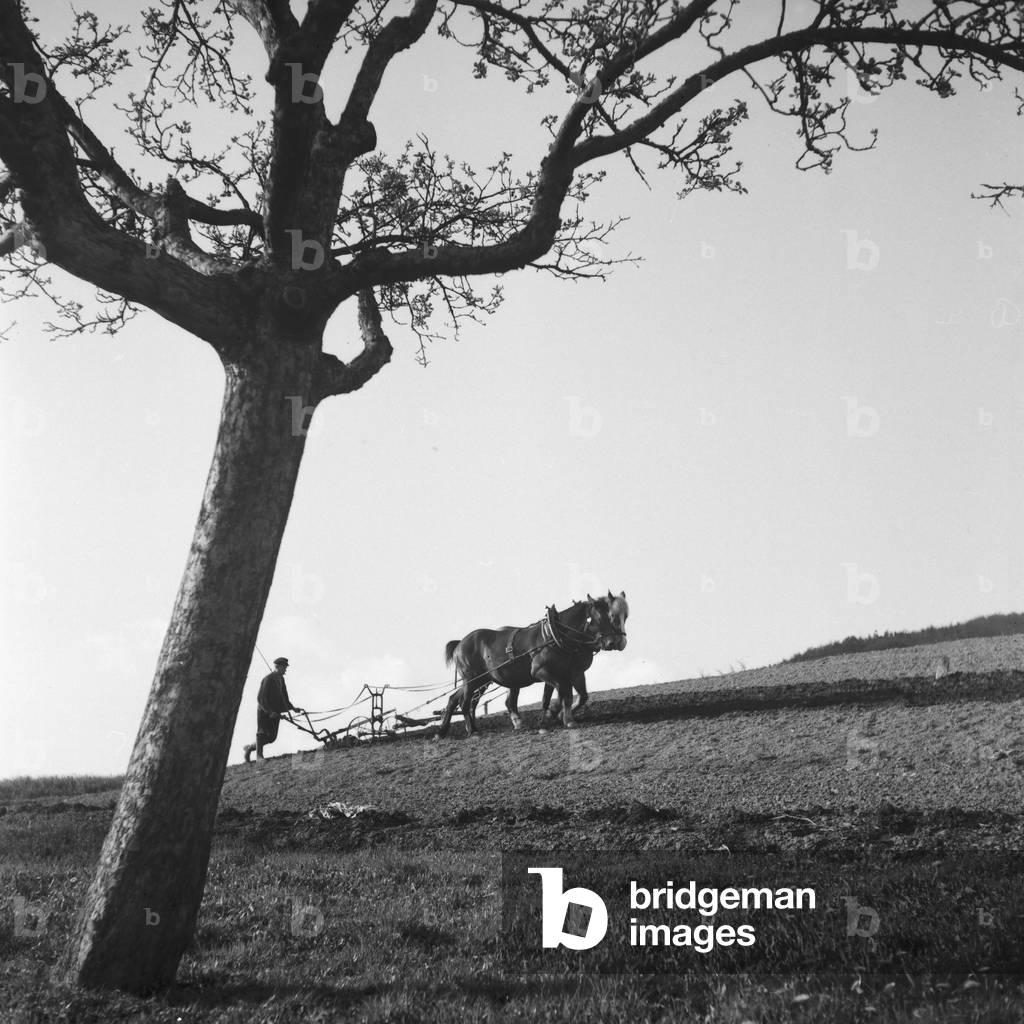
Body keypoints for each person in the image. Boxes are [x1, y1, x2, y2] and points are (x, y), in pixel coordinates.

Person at [243, 657, 303, 762]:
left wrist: (293, 708)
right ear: (277, 667)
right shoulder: (269, 679)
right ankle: (259, 757)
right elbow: (261, 698)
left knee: (271, 738)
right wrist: (270, 712)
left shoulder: (281, 679)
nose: (285, 669)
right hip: (264, 711)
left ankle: (250, 748)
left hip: (276, 711)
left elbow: (284, 697)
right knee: (262, 732)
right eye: (284, 667)